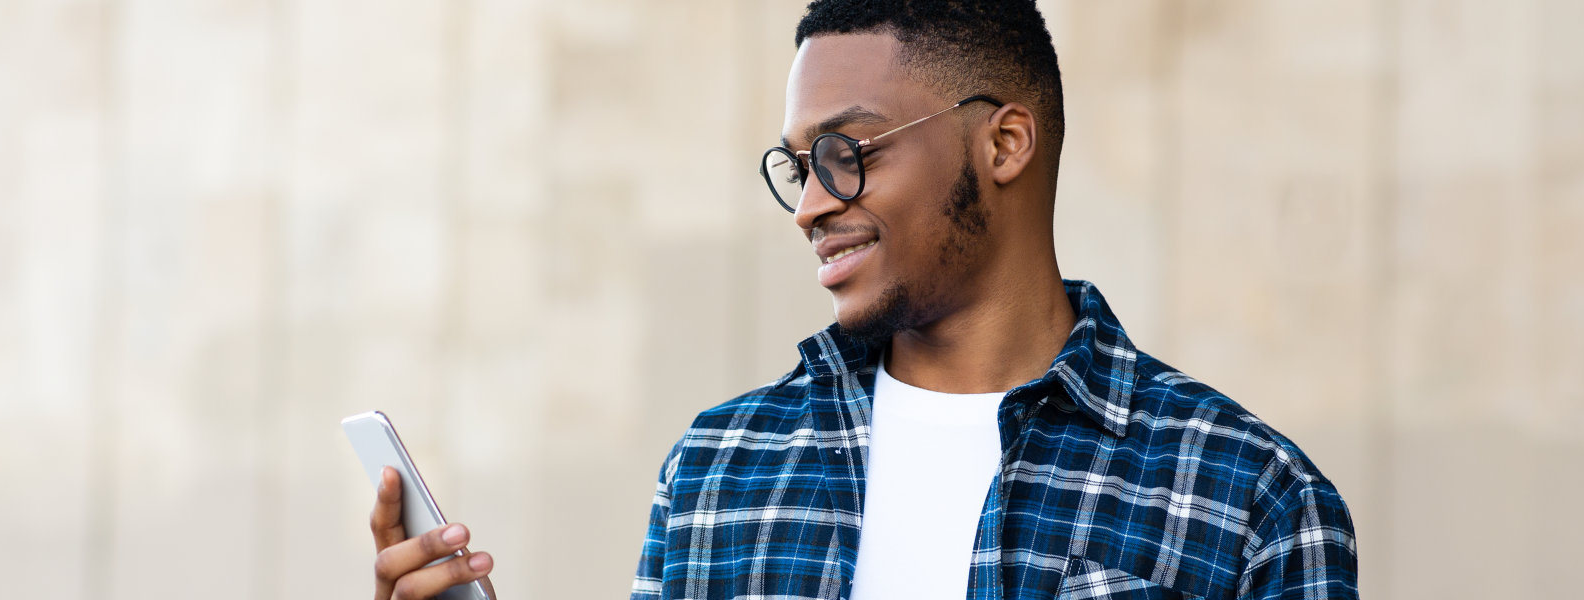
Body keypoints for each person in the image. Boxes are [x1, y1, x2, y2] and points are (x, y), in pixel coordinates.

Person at [367, 1, 1357, 598]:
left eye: (845, 156)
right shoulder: (719, 471)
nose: (808, 207)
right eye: (796, 167)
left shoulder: (1252, 498)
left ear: (1002, 144)